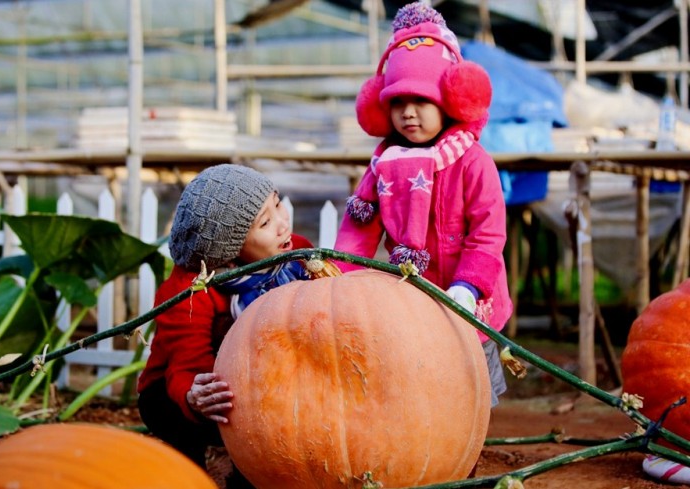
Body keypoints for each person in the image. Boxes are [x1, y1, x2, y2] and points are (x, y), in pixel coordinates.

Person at [333, 2, 512, 408]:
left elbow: (488, 234)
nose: (408, 113)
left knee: (473, 386)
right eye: (397, 102)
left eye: (421, 100)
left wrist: (467, 287)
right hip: (413, 297)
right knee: (423, 385)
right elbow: (358, 232)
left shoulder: (472, 161)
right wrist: (338, 278)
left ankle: (470, 447)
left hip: (472, 299)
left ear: (449, 101)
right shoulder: (385, 165)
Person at [137, 164, 313, 488]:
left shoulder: (298, 256)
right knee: (188, 421)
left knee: (263, 434)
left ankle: (248, 473)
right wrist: (195, 396)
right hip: (179, 389)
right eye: (265, 222)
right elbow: (186, 365)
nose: (282, 223)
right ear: (229, 251)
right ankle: (188, 469)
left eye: (277, 203)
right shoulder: (191, 291)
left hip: (256, 382)